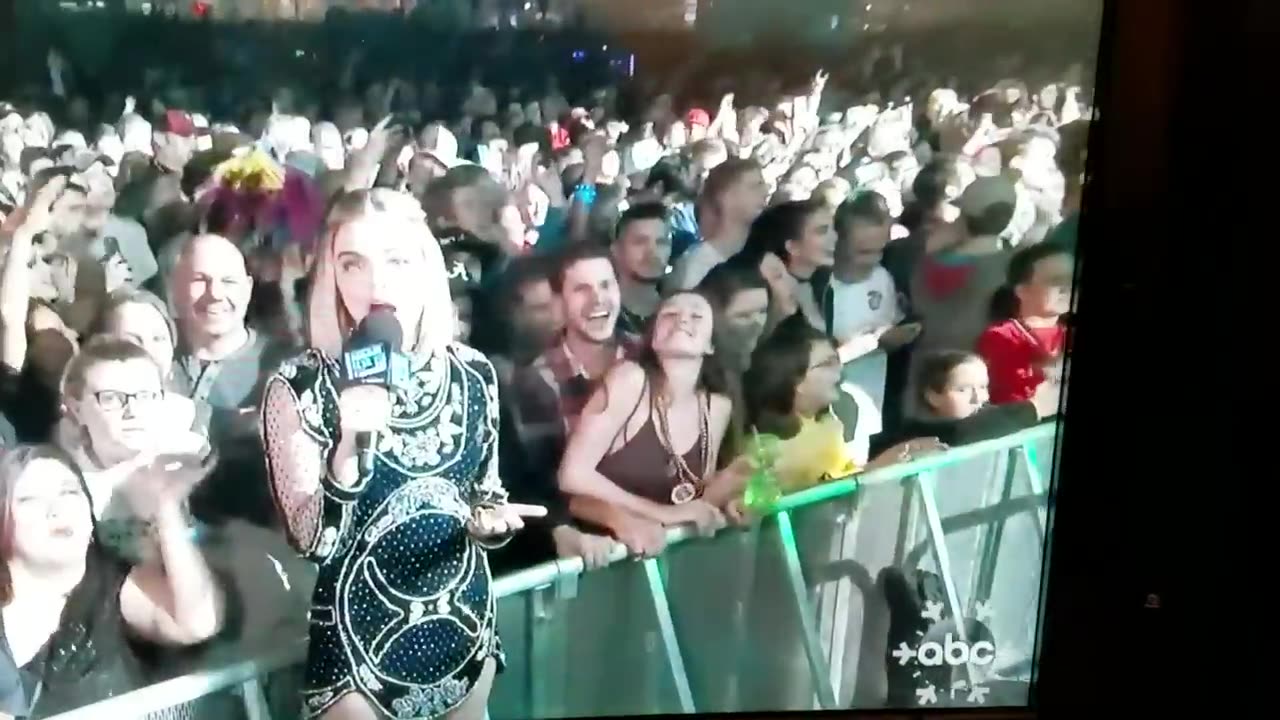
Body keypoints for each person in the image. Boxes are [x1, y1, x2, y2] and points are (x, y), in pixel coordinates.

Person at [261, 188, 542, 720]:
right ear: (333, 276)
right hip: (358, 659)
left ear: (424, 266)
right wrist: (349, 441)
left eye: (395, 260)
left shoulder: (473, 373)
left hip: (463, 636)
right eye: (353, 264)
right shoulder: (298, 386)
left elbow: (484, 493)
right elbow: (313, 540)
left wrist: (493, 523)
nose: (376, 282)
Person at [0, 444, 224, 717]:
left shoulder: (114, 588)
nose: (56, 509)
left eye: (69, 492)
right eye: (29, 499)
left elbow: (196, 623)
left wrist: (166, 507)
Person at [558, 291, 747, 557]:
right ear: (654, 339)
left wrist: (727, 502)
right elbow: (572, 476)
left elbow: (692, 497)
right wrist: (663, 514)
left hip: (667, 556)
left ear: (711, 345)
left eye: (696, 316)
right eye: (670, 315)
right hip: (605, 553)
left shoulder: (716, 407)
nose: (682, 320)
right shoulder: (629, 380)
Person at [895, 350, 1058, 446]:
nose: (978, 398)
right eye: (963, 389)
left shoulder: (994, 419)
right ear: (933, 396)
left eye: (982, 387)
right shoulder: (916, 434)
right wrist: (1035, 408)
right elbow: (961, 433)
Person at [977, 243, 1072, 405]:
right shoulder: (1001, 337)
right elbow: (1009, 400)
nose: (1067, 287)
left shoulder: (1067, 332)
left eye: (1071, 279)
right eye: (1055, 281)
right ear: (1022, 291)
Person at [666, 158, 767, 291]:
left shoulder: (762, 258)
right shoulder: (696, 269)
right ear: (725, 197)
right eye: (755, 186)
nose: (765, 192)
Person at [611, 202, 672, 343]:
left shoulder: (678, 312)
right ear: (616, 250)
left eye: (661, 242)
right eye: (640, 242)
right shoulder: (603, 312)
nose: (653, 252)